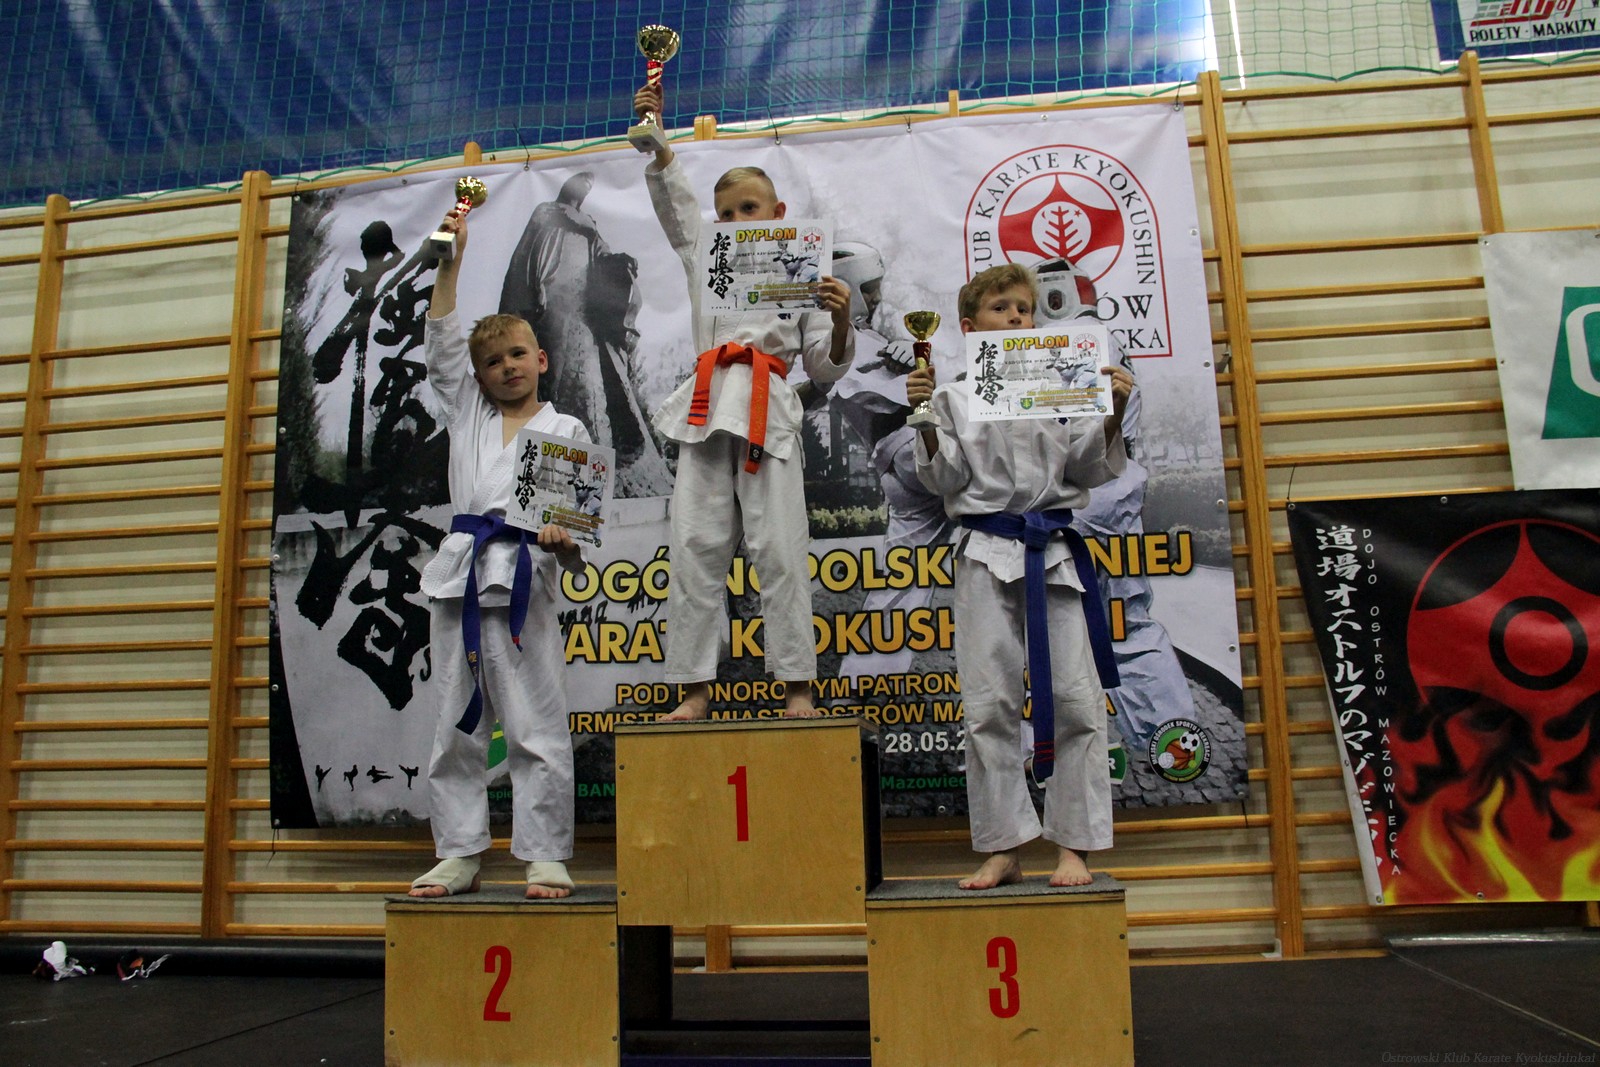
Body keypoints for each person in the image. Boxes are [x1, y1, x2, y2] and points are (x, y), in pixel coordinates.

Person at [632, 82, 855, 720]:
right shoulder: (706, 257)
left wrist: (841, 319)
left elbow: (823, 365)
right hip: (707, 408)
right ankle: (694, 689)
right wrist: (659, 144)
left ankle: (797, 685)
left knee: (780, 549)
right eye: (724, 213)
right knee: (695, 547)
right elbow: (677, 210)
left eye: (748, 209)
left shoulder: (807, 270)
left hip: (768, 406)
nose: (733, 222)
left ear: (778, 212)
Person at [908, 263, 1132, 889]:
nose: (1016, 317)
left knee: (1077, 698)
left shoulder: (1063, 382)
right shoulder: (951, 398)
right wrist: (923, 414)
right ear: (969, 325)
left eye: (1025, 309)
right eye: (1001, 307)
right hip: (985, 550)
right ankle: (1003, 845)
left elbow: (1087, 467)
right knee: (988, 703)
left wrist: (1112, 411)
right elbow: (945, 479)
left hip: (1052, 550)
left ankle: (1074, 847)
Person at [408, 205, 588, 900]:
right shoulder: (469, 416)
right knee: (456, 723)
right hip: (459, 578)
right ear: (477, 378)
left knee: (535, 723)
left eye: (517, 354)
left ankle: (543, 853)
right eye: (491, 361)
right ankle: (458, 852)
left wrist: (565, 544)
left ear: (541, 360)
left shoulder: (565, 428)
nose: (505, 366)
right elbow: (442, 343)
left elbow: (574, 528)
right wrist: (450, 263)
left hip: (523, 583)